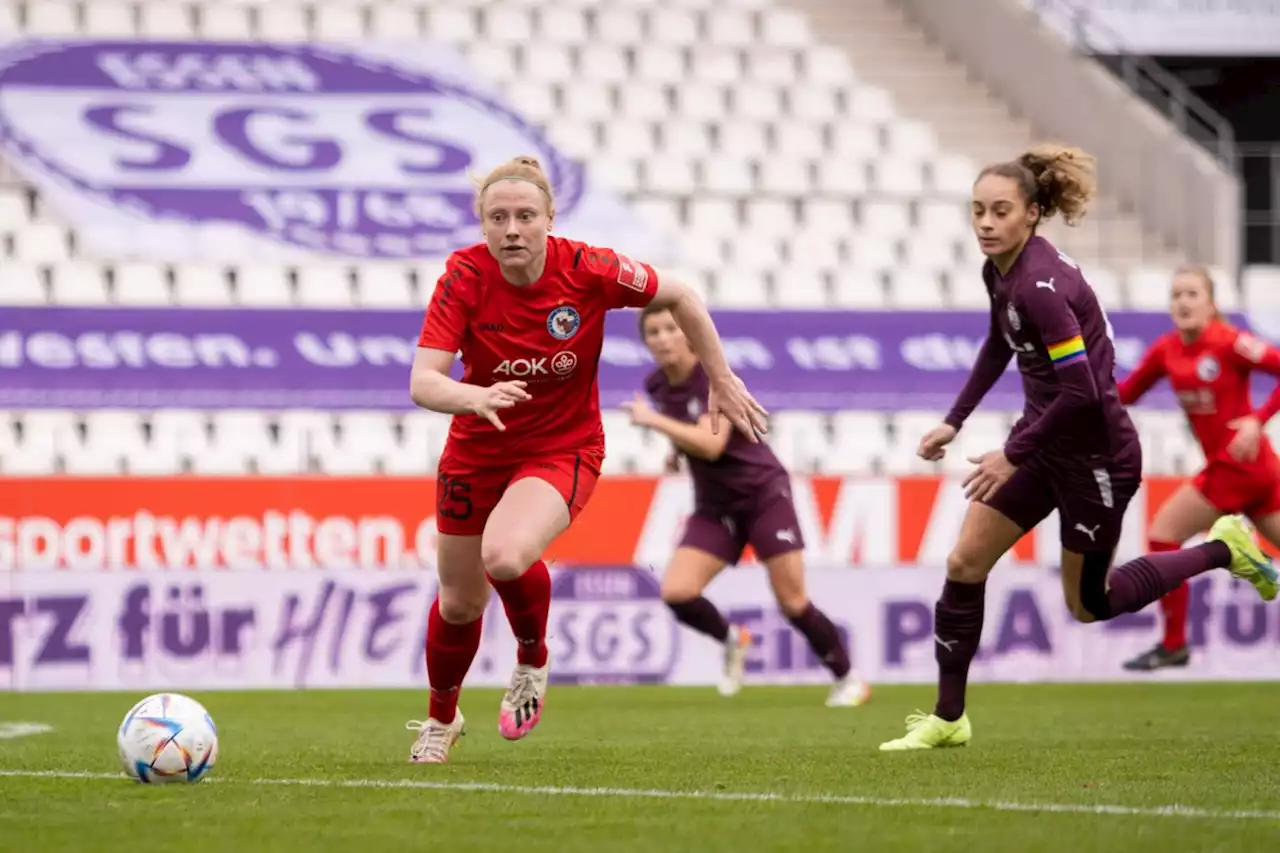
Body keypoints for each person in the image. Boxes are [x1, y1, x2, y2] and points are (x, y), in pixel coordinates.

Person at [879, 144, 1278, 751]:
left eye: (1000, 211)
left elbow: (1085, 391)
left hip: (1097, 461)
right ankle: (948, 718)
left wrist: (1012, 452)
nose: (986, 223)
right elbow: (998, 344)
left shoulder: (1041, 286)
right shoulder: (1001, 272)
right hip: (1044, 447)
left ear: (1033, 213)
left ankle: (1223, 550)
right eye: (978, 211)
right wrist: (954, 421)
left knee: (1091, 604)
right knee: (964, 564)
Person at [405, 156, 768, 763]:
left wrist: (721, 378)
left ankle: (531, 658)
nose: (512, 229)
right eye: (498, 218)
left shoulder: (589, 268)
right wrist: (475, 395)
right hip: (475, 450)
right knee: (459, 600)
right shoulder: (462, 277)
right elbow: (423, 381)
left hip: (561, 446)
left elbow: (680, 293)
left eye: (525, 216)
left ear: (551, 218)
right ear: (482, 224)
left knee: (506, 553)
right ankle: (441, 720)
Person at [622, 305, 872, 706]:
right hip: (715, 505)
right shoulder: (657, 385)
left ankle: (848, 679)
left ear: (687, 333)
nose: (663, 338)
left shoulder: (709, 377)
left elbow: (711, 442)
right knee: (678, 592)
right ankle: (731, 639)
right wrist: (675, 452)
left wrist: (652, 423)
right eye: (653, 332)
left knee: (792, 601)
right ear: (645, 340)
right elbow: (690, 434)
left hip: (762, 494)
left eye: (671, 328)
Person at [1117, 266, 1280, 671]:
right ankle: (1240, 553)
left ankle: (1175, 642)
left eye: (1192, 294)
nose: (1183, 302)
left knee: (1163, 534)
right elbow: (1127, 395)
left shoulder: (1229, 342)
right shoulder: (1166, 350)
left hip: (1238, 466)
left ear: (1211, 304)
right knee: (1165, 536)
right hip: (1253, 471)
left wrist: (1257, 420)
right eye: (1176, 295)